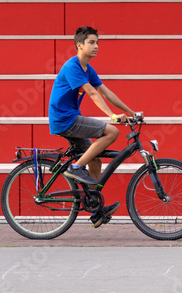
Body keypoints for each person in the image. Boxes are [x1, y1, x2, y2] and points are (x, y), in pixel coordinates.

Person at [48, 26, 141, 227]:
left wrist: (132, 113)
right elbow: (91, 93)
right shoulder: (72, 66)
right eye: (91, 42)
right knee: (112, 131)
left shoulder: (88, 69)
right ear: (79, 45)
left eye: (97, 42)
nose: (96, 46)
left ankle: (95, 209)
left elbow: (107, 93)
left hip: (71, 118)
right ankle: (76, 166)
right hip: (65, 119)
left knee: (96, 158)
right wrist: (113, 116)